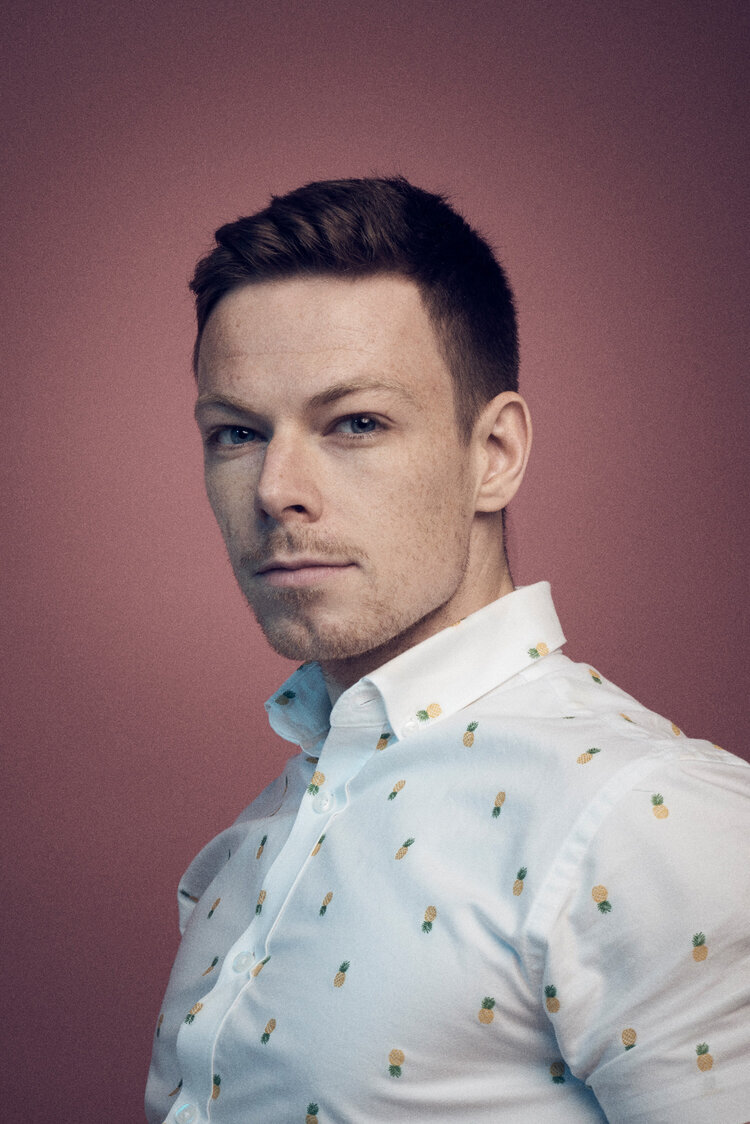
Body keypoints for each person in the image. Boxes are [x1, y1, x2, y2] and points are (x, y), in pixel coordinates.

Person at [146, 177, 750, 1124]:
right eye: (237, 433)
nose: (275, 488)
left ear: (495, 453)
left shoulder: (650, 823)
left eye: (356, 423)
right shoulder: (259, 837)